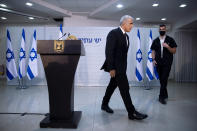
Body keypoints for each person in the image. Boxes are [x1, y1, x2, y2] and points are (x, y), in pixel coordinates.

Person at [100, 15, 148, 120]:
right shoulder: (113, 33)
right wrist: (112, 68)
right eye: (130, 23)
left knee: (111, 86)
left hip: (121, 68)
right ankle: (132, 113)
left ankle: (104, 104)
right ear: (124, 23)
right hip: (116, 68)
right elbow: (109, 52)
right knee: (125, 89)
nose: (132, 25)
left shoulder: (126, 36)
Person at [151, 24, 177, 104]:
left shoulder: (170, 39)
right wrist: (153, 59)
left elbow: (174, 51)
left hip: (167, 63)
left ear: (165, 30)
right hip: (158, 63)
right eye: (160, 29)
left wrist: (168, 47)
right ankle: (165, 94)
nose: (162, 30)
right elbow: (153, 51)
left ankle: (161, 97)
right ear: (159, 30)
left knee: (164, 78)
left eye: (163, 29)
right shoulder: (155, 40)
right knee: (162, 80)